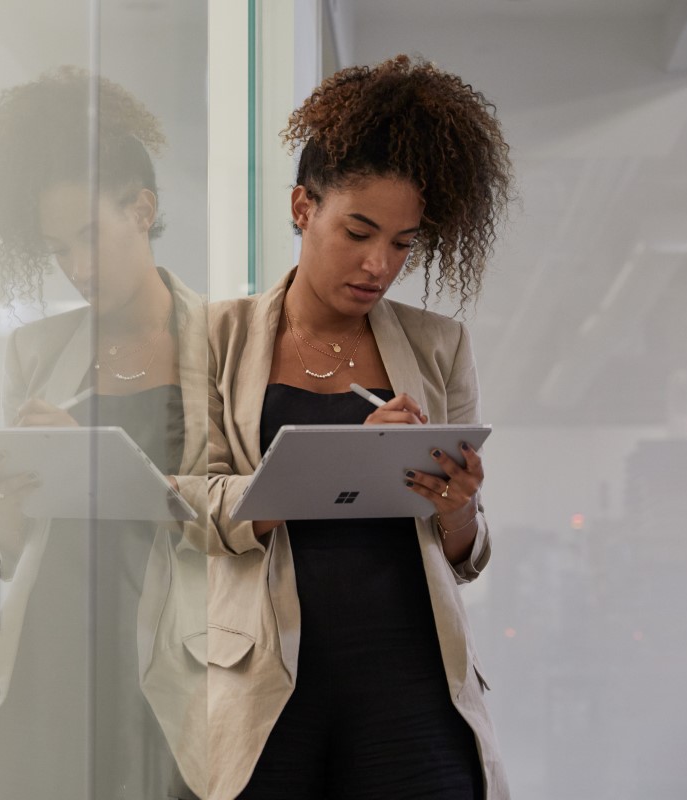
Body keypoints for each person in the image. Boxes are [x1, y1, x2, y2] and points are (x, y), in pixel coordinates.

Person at [206, 54, 514, 799]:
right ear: (303, 208)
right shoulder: (217, 337)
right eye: (358, 231)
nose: (379, 263)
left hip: (412, 682)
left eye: (403, 243)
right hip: (264, 687)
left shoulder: (440, 346)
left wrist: (458, 506)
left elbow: (466, 555)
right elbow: (186, 500)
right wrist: (301, 479)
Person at [0, 67, 208, 800]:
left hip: (169, 656)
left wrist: (97, 463)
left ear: (142, 209)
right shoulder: (35, 354)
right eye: (57, 249)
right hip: (54, 651)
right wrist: (2, 506)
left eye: (87, 238)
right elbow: (22, 549)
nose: (75, 267)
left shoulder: (227, 343)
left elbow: (244, 522)